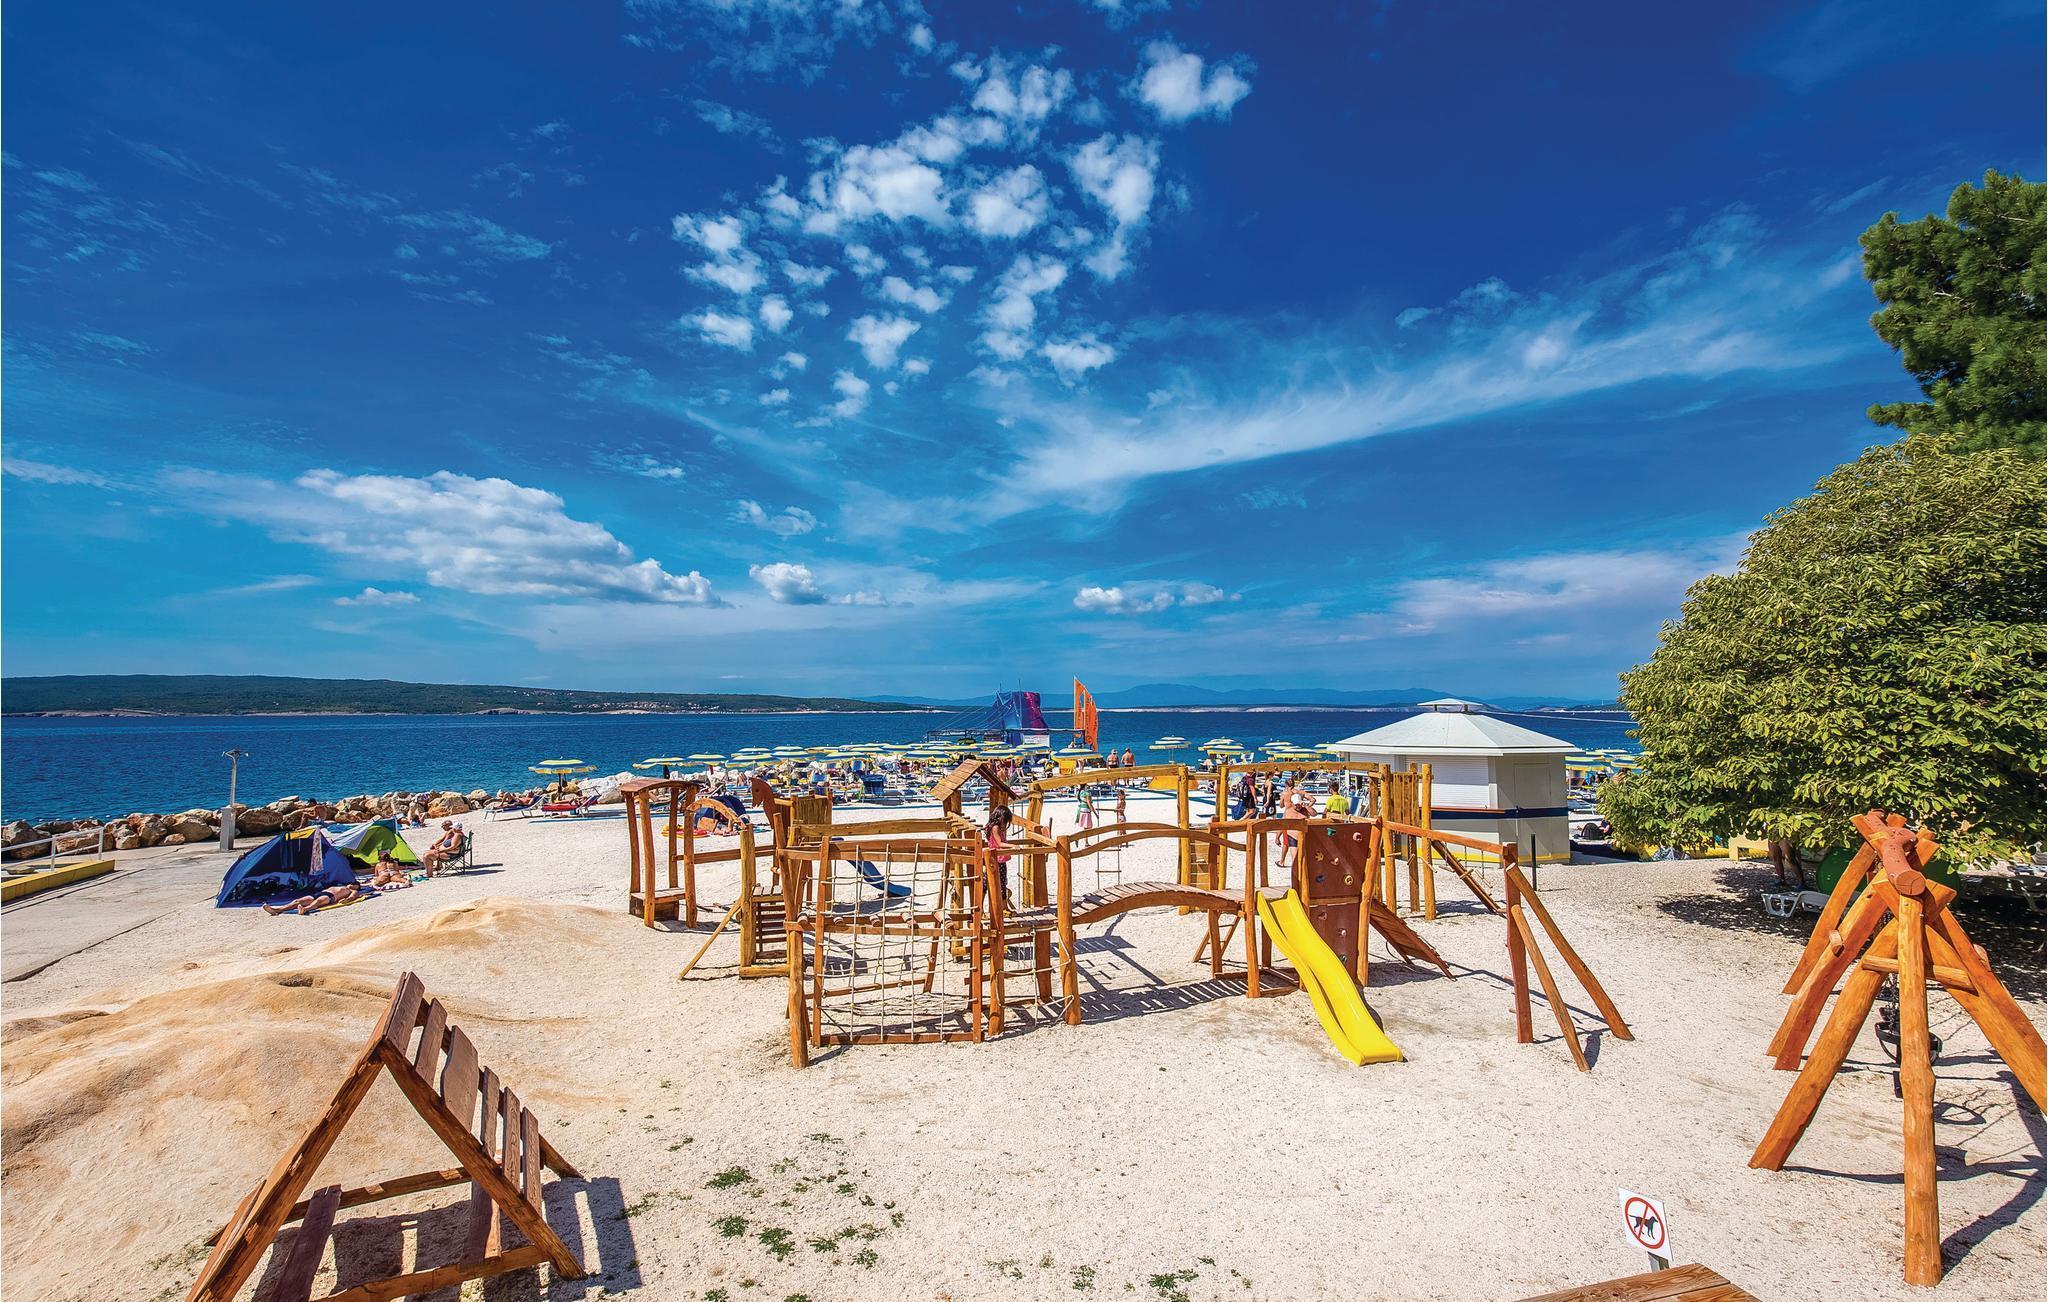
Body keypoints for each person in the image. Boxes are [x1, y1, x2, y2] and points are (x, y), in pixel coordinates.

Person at [263, 882, 362, 915]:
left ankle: (305, 909)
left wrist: (346, 900)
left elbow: (353, 896)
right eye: (353, 884)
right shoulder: (340, 885)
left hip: (332, 896)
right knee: (298, 901)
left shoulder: (352, 891)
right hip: (321, 892)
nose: (353, 886)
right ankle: (278, 909)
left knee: (319, 901)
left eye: (356, 886)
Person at [984, 805, 1015, 905]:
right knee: (1001, 883)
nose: (1005, 824)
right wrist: (1013, 846)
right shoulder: (995, 828)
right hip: (997, 859)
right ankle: (1003, 906)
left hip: (995, 858)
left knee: (992, 882)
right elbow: (999, 843)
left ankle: (1002, 906)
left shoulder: (994, 827)